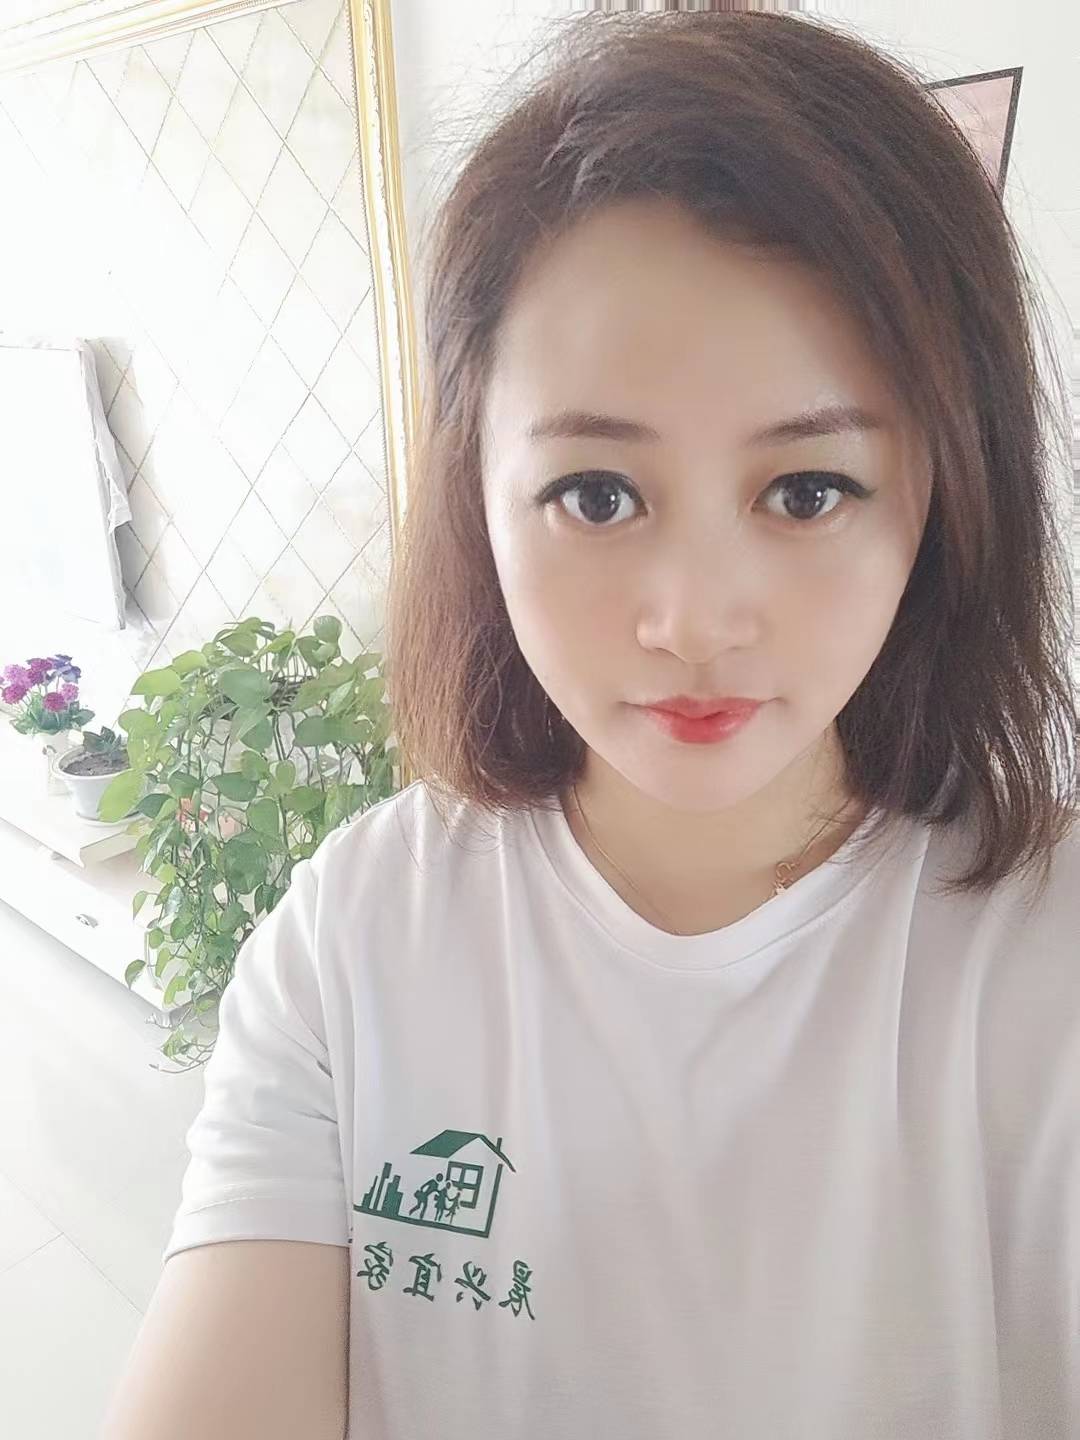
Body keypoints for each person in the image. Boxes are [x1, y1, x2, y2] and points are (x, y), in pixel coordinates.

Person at [116, 11, 1079, 1440]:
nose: (693, 620)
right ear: (480, 492)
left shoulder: (1045, 962)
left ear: (940, 496)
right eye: (598, 495)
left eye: (808, 490)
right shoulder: (358, 932)